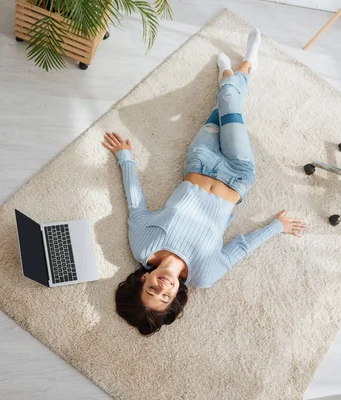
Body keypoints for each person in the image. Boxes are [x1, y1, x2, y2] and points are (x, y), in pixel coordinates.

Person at [102, 29, 306, 336]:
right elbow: (240, 248)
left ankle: (231, 73)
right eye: (166, 297)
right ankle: (244, 66)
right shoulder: (204, 275)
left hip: (199, 161)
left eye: (152, 291)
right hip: (238, 175)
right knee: (227, 99)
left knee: (225, 107)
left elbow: (136, 204)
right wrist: (277, 227)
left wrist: (126, 158)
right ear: (175, 298)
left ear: (142, 280)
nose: (162, 288)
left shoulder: (143, 245)